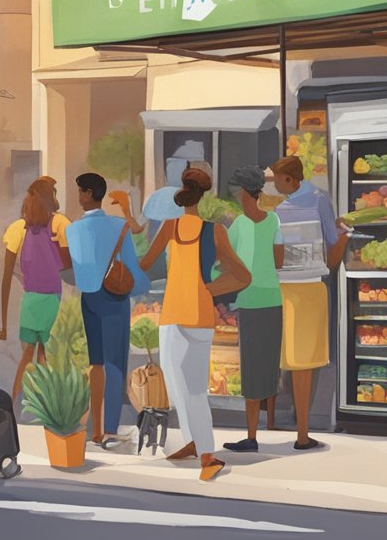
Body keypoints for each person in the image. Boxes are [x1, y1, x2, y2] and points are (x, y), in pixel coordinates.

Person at [139, 168, 250, 481]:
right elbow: (242, 276)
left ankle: (207, 455)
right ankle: (195, 444)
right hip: (200, 317)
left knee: (180, 387)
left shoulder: (169, 228)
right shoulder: (215, 232)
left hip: (173, 316)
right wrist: (208, 290)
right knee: (194, 389)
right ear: (204, 196)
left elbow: (145, 266)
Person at [270, 156, 352, 451]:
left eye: (278, 180)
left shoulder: (281, 211)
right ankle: (301, 433)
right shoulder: (318, 201)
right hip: (308, 288)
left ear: (290, 180)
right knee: (302, 364)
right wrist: (345, 233)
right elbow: (332, 250)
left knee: (289, 362)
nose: (275, 184)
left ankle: (282, 429)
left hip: (288, 289)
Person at [64, 172, 149, 450]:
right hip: (114, 298)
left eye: (80, 191)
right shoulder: (119, 226)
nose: (78, 196)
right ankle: (110, 429)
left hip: (89, 297)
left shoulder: (73, 230)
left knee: (96, 364)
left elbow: (76, 269)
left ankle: (94, 430)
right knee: (115, 365)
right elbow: (133, 270)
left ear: (88, 194)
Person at [222, 166, 286, 453]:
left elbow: (229, 264)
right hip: (272, 299)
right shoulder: (274, 220)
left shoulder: (236, 226)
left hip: (248, 300)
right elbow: (280, 261)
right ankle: (270, 423)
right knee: (268, 365)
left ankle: (251, 435)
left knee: (251, 368)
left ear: (243, 192)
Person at [0, 178, 72, 402]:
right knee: (46, 357)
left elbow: (6, 276)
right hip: (52, 300)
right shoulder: (59, 223)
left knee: (27, 355)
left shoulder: (17, 228)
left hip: (30, 300)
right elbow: (68, 265)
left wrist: (3, 325)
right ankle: (47, 405)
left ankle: (14, 402)